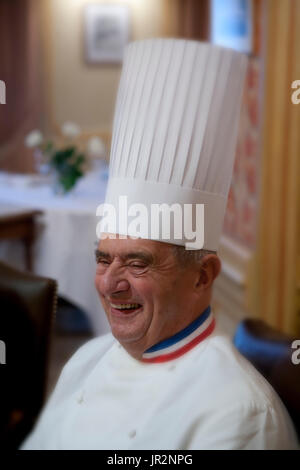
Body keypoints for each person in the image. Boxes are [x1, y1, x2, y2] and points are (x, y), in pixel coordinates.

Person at [21, 39, 298, 450]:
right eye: (103, 259)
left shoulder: (239, 418)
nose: (109, 284)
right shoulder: (86, 360)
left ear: (203, 275)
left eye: (137, 263)